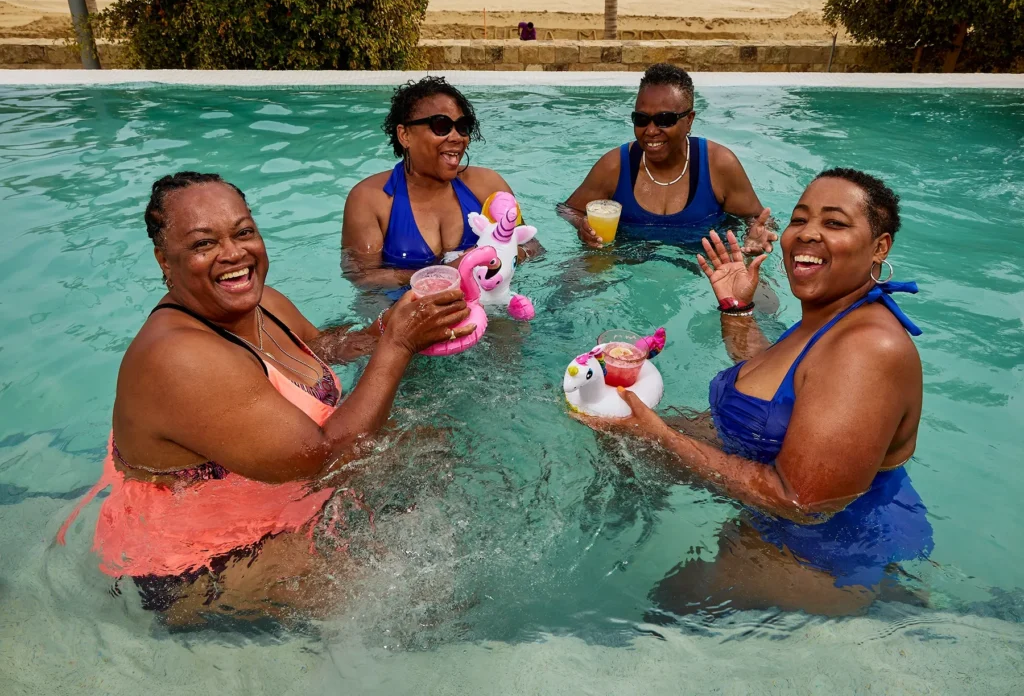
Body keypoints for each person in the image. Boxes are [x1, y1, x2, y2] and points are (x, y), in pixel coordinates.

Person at [58, 172, 475, 624]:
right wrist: (399, 344)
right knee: (417, 603)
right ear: (164, 261)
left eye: (244, 232)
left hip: (278, 499)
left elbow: (323, 347)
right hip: (196, 564)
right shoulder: (179, 358)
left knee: (441, 448)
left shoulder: (261, 303)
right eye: (204, 244)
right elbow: (323, 460)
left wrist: (392, 324)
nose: (234, 254)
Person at [583, 168, 933, 616]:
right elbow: (783, 380)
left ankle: (891, 601)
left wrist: (662, 438)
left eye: (834, 223)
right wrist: (736, 308)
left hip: (829, 556)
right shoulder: (830, 316)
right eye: (800, 219)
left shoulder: (869, 348)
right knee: (615, 430)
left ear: (879, 247)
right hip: (783, 523)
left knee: (665, 607)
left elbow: (801, 502)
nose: (808, 234)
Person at [343, 76, 541, 290]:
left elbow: (533, 246)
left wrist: (503, 256)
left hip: (488, 306)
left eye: (463, 127)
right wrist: (445, 274)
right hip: (403, 310)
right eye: (441, 126)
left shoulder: (488, 186)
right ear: (405, 135)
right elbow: (362, 277)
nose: (457, 137)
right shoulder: (370, 199)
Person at [560, 64, 777, 254]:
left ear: (689, 120)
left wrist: (756, 236)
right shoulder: (615, 166)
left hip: (704, 264)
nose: (651, 131)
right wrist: (583, 226)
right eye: (642, 119)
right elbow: (568, 209)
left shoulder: (718, 165)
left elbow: (759, 220)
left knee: (763, 300)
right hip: (626, 259)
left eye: (665, 120)